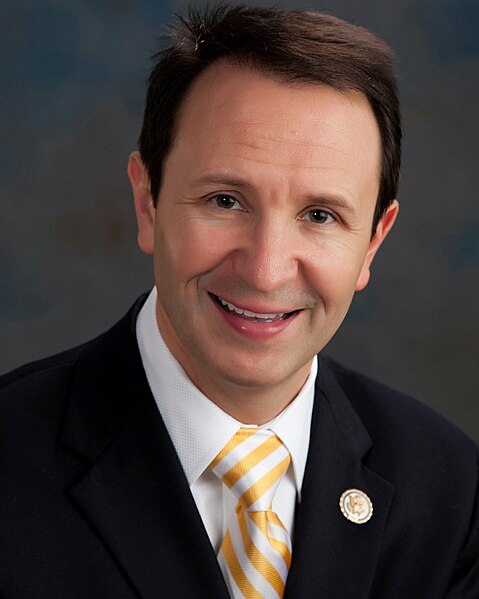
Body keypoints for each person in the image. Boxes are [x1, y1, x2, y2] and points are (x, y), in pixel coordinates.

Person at [0, 4, 477, 598]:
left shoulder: (450, 489)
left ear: (373, 242)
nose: (266, 268)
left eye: (320, 215)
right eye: (226, 201)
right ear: (148, 200)